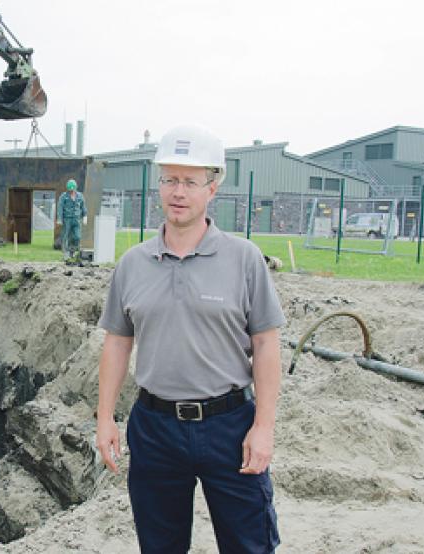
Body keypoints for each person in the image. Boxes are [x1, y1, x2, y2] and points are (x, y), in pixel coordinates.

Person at [95, 124, 285, 553]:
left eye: (189, 182)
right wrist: (105, 417)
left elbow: (267, 345)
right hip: (155, 428)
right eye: (169, 180)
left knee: (249, 544)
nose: (177, 192)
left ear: (212, 188)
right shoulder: (133, 264)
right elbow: (117, 344)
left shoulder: (244, 259)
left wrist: (264, 428)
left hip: (229, 426)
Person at [57, 179, 88, 261]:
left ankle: (72, 251)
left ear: (75, 188)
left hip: (77, 219)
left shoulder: (80, 196)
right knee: (65, 236)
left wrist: (85, 216)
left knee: (77, 237)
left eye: (72, 189)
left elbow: (83, 206)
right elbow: (60, 207)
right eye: (70, 189)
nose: (71, 191)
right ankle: (65, 254)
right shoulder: (63, 196)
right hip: (67, 219)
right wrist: (59, 219)